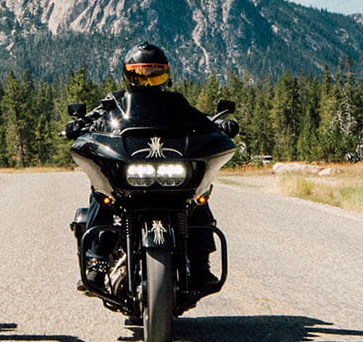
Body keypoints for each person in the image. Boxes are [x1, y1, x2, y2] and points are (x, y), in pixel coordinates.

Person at [63, 43, 238, 292]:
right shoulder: (115, 103)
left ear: (165, 77)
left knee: (199, 198)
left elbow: (200, 119)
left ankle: (201, 266)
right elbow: (95, 117)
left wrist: (218, 126)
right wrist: (79, 126)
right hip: (130, 175)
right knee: (102, 193)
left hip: (170, 174)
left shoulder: (176, 104)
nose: (147, 82)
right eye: (140, 75)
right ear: (128, 76)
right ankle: (96, 260)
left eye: (154, 75)